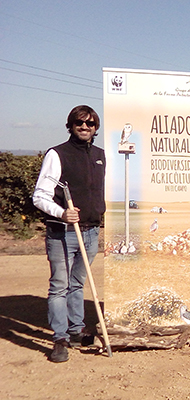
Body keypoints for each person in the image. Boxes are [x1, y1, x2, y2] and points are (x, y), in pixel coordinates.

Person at [32, 105, 105, 363]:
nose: (85, 127)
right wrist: (62, 213)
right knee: (59, 286)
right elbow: (40, 196)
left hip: (91, 232)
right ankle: (60, 338)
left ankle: (76, 330)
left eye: (90, 123)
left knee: (77, 284)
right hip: (62, 232)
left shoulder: (100, 155)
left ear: (96, 128)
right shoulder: (57, 154)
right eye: (80, 123)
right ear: (71, 125)